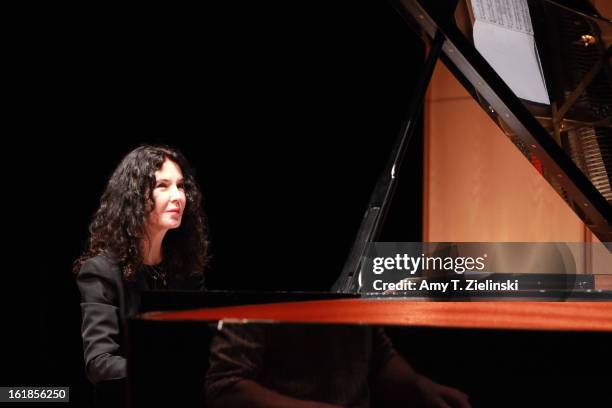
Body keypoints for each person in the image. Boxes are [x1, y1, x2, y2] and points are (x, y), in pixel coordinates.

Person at [73, 145, 209, 405]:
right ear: (135, 197)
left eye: (180, 186)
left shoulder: (186, 271)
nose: (178, 196)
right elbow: (99, 363)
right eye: (163, 186)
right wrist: (166, 373)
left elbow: (202, 344)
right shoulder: (101, 272)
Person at [206, 323, 471, 408]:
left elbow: (379, 355)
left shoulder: (355, 275)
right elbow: (226, 387)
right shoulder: (262, 289)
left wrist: (420, 385)